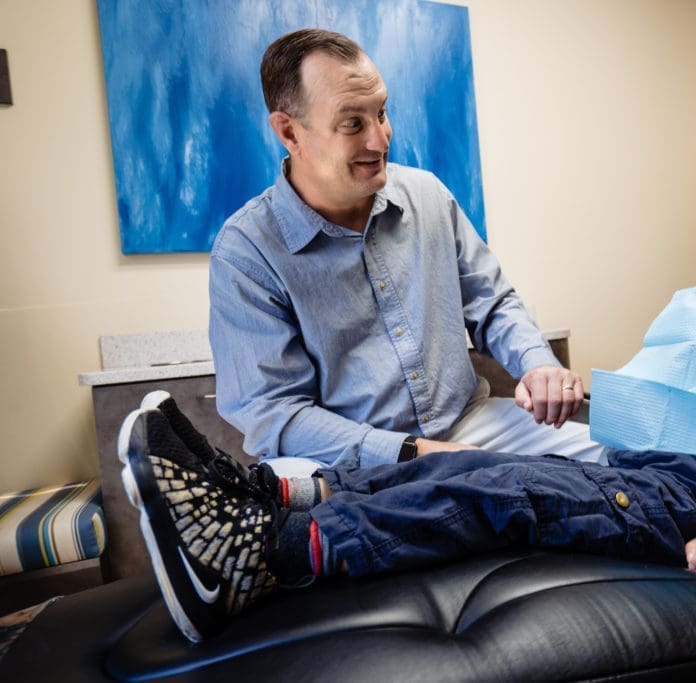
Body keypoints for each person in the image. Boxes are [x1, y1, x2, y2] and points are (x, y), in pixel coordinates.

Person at [123, 159, 696, 643]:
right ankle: (257, 492)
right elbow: (665, 410)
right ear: (291, 132)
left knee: (488, 480)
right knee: (467, 471)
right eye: (355, 122)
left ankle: (276, 552)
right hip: (648, 477)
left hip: (691, 504)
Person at [208, 28, 604, 470]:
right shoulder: (245, 253)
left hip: (468, 425)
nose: (379, 140)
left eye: (382, 112)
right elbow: (274, 414)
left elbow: (492, 305)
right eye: (353, 123)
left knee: (614, 451)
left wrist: (537, 364)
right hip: (347, 458)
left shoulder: (427, 195)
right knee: (287, 489)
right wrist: (414, 453)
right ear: (289, 132)